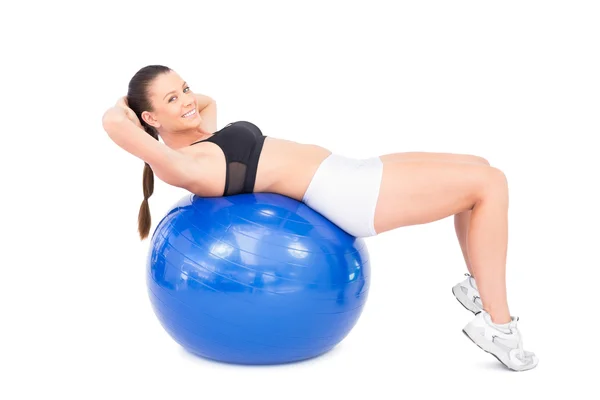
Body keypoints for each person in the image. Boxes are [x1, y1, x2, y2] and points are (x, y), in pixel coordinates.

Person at [102, 64, 539, 371]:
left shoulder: (201, 130)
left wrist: (159, 101)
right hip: (349, 197)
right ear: (148, 117)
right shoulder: (182, 165)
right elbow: (113, 124)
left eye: (184, 87)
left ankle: (481, 286)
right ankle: (499, 328)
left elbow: (204, 100)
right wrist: (129, 111)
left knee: (479, 165)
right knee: (490, 184)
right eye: (171, 98)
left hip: (350, 171)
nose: (188, 101)